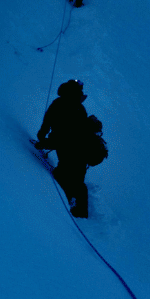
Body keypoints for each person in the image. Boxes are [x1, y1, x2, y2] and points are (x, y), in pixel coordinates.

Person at [36, 79, 103, 218]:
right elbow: (75, 132)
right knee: (75, 180)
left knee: (65, 176)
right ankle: (80, 212)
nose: (81, 94)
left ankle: (74, 210)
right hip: (80, 151)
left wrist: (42, 140)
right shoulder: (78, 107)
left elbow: (52, 127)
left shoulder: (59, 104)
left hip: (69, 149)